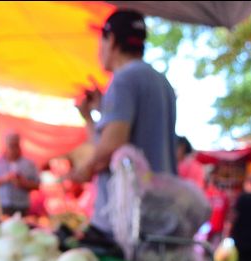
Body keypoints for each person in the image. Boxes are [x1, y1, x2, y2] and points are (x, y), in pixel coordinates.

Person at [72, 8, 177, 238]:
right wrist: (93, 115)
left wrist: (84, 169)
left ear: (110, 40)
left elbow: (112, 145)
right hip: (158, 215)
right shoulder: (162, 83)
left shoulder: (124, 79)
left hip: (124, 222)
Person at [0, 133, 40, 217]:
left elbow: (37, 185)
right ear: (5, 146)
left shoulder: (29, 164)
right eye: (11, 146)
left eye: (15, 145)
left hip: (22, 207)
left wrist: (23, 183)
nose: (13, 149)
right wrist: (4, 179)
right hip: (0, 206)